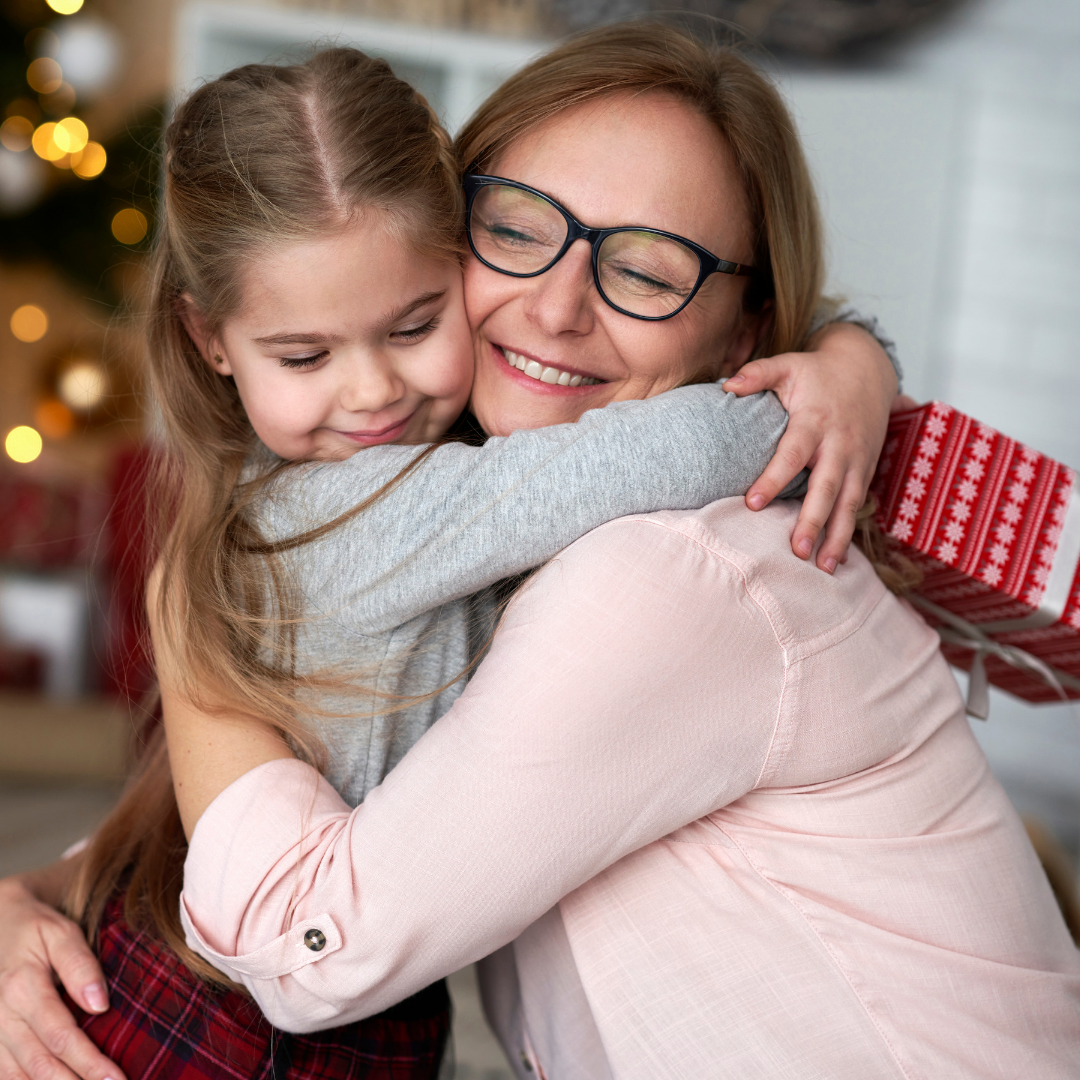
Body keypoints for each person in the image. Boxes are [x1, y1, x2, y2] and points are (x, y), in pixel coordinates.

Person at [156, 22, 1078, 1079]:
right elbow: (303, 751)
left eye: (645, 271)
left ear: (746, 333)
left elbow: (306, 950)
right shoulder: (468, 520)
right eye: (514, 228)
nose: (554, 307)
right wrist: (37, 901)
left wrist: (183, 618)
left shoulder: (668, 574)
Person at [0, 36, 901, 1080]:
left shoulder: (401, 478)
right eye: (305, 356)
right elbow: (682, 445)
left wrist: (849, 348)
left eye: (417, 322)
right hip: (235, 1028)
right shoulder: (359, 508)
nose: (374, 392)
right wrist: (835, 382)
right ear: (211, 342)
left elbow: (197, 803)